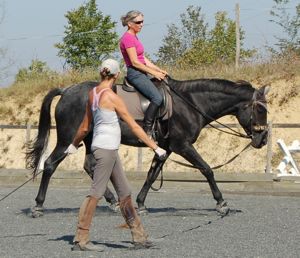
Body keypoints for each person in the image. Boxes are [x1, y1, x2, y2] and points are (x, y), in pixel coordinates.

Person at [64, 59, 167, 252]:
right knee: (95, 193)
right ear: (117, 75)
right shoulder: (112, 97)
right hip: (106, 151)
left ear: (102, 73)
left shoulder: (92, 93)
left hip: (105, 149)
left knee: (125, 192)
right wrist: (155, 147)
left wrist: (73, 144)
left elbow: (85, 126)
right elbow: (134, 126)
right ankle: (81, 239)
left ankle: (139, 237)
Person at [120, 10, 168, 139]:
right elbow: (135, 62)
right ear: (130, 23)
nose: (141, 24)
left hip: (142, 71)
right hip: (136, 73)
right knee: (157, 98)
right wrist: (153, 73)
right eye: (138, 22)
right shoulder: (128, 38)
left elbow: (143, 58)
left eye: (142, 22)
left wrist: (158, 70)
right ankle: (146, 129)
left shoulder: (134, 36)